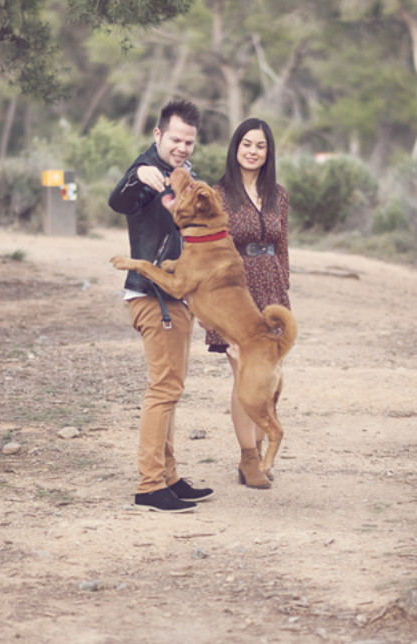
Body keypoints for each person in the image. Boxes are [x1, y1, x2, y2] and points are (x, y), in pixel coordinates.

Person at [108, 99, 215, 513]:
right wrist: (137, 175)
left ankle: (168, 477)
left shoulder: (187, 177)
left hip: (179, 297)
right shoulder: (146, 172)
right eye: (175, 139)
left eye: (189, 141)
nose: (182, 146)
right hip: (154, 298)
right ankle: (150, 484)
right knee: (163, 389)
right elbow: (119, 201)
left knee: (171, 390)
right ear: (158, 135)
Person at [204, 117, 291, 490]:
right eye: (246, 144)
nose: (252, 152)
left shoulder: (279, 195)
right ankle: (248, 460)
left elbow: (283, 246)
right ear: (235, 148)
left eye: (260, 146)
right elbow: (207, 249)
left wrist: (284, 292)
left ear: (268, 152)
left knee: (268, 382)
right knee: (244, 377)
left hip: (271, 291)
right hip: (234, 295)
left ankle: (260, 452)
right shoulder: (218, 194)